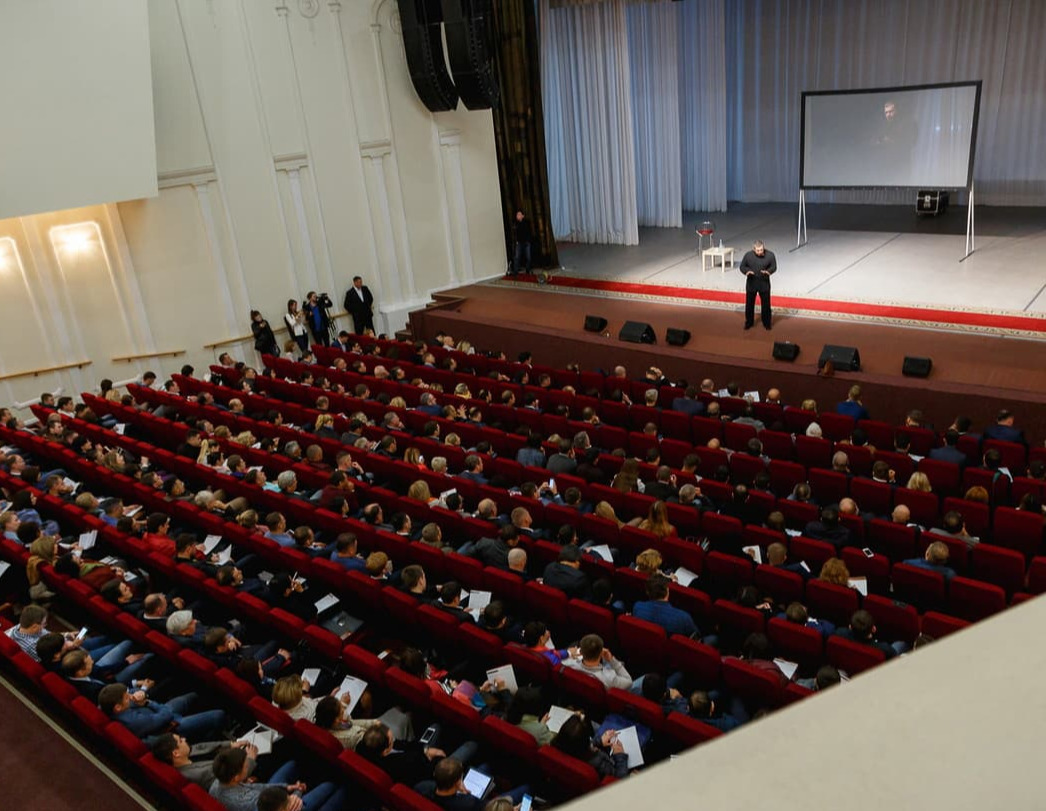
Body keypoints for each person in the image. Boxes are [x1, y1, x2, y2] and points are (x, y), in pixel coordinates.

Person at [739, 239, 776, 330]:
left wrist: (768, 272)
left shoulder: (770, 255)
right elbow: (742, 266)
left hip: (764, 283)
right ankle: (749, 322)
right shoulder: (748, 255)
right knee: (749, 304)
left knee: (766, 305)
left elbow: (774, 266)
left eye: (761, 250)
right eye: (758, 250)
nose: (760, 252)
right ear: (754, 249)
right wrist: (747, 271)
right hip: (752, 283)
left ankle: (767, 323)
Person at [510, 209, 532, 276]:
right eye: (517, 215)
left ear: (523, 216)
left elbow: (529, 232)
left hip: (526, 242)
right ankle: (515, 271)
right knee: (517, 257)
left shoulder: (527, 222)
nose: (518, 216)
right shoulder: (516, 224)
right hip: (519, 243)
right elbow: (515, 233)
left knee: (528, 257)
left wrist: (528, 240)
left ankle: (528, 270)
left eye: (519, 214)